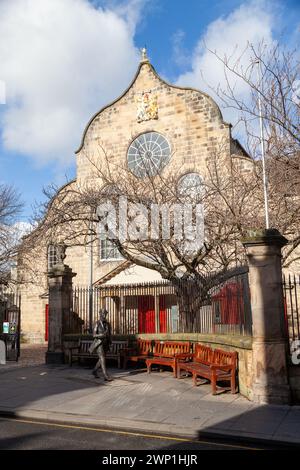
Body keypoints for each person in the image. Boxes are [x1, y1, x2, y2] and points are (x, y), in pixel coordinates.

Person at [89, 309, 113, 381]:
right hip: (99, 343)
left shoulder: (108, 324)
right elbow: (93, 335)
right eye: (103, 314)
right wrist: (101, 335)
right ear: (100, 314)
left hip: (106, 343)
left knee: (101, 359)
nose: (104, 315)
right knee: (102, 358)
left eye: (105, 314)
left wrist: (110, 343)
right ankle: (105, 375)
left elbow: (110, 335)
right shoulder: (97, 323)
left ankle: (94, 371)